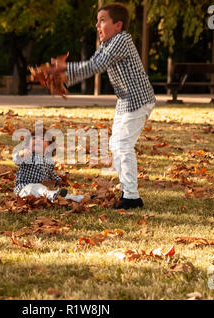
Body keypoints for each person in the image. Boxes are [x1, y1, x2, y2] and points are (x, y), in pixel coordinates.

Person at [50, 2, 156, 210]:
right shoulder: (108, 44)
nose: (97, 26)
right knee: (116, 144)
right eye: (97, 21)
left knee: (123, 145)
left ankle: (132, 197)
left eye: (102, 21)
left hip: (137, 100)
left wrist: (64, 70)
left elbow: (94, 66)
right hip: (126, 101)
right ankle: (128, 191)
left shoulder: (121, 40)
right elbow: (92, 63)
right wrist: (63, 76)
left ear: (118, 25)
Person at [13, 132, 85, 203]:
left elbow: (50, 173)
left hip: (42, 190)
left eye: (42, 139)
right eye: (34, 138)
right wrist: (21, 154)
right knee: (38, 188)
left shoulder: (48, 161)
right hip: (24, 189)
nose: (37, 140)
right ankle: (53, 196)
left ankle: (77, 198)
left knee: (47, 191)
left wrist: (58, 180)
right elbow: (16, 160)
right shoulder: (29, 155)